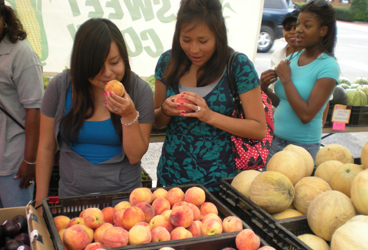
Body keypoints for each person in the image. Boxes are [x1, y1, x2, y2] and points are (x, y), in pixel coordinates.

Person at [34, 18, 154, 208]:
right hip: (72, 199)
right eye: (96, 66)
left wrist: (129, 115)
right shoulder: (60, 87)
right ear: (81, 64)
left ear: (124, 58)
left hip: (124, 203)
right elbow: (46, 147)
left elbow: (135, 156)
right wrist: (40, 201)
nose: (107, 73)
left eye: (114, 62)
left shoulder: (140, 91)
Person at [153, 0, 266, 192]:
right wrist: (165, 109)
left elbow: (258, 128)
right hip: (171, 176)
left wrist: (210, 116)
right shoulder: (167, 62)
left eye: (203, 41)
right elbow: (157, 121)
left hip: (220, 182)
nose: (194, 49)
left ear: (218, 36)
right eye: (186, 40)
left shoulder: (238, 66)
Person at [262, 0, 340, 163]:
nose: (298, 30)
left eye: (307, 25)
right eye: (298, 24)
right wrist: (264, 88)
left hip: (302, 148)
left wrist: (286, 80)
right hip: (275, 141)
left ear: (323, 31)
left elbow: (306, 114)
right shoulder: (292, 58)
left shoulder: (329, 66)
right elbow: (283, 102)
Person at [0, 1, 43, 208]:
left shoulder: (21, 54)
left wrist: (30, 161)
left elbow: (34, 110)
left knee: (16, 229)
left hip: (13, 163)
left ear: (4, 19)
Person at [260, 10, 301, 96]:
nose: (292, 32)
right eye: (287, 27)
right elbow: (278, 101)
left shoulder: (313, 58)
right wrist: (263, 87)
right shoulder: (277, 55)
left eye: (296, 27)